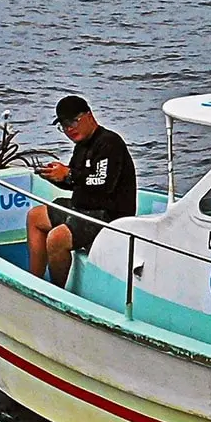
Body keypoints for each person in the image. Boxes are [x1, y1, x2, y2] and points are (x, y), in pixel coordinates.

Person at [28, 95, 136, 288]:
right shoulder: (81, 147)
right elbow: (76, 182)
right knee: (35, 217)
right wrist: (56, 176)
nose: (69, 129)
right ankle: (33, 281)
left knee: (56, 238)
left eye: (73, 122)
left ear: (89, 116)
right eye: (64, 126)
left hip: (109, 215)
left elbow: (103, 183)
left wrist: (68, 174)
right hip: (82, 208)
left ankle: (55, 291)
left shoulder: (109, 143)